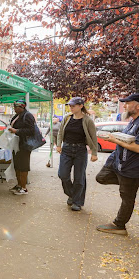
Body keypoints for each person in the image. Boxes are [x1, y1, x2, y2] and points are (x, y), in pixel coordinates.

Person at [95, 93, 139, 235]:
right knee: (101, 177)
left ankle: (119, 225)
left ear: (137, 106)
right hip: (120, 165)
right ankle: (130, 186)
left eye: (127, 103)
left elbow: (138, 147)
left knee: (127, 198)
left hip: (131, 169)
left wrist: (115, 140)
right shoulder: (133, 121)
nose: (124, 106)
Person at [56, 97, 98, 211]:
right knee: (62, 174)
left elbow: (93, 137)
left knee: (79, 178)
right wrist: (58, 144)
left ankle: (77, 202)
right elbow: (60, 132)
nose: (71, 107)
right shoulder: (67, 118)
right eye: (70, 106)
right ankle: (72, 194)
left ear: (80, 106)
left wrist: (94, 152)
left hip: (80, 150)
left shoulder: (87, 120)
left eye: (73, 106)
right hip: (66, 149)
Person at [8, 99, 36, 195]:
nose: (15, 108)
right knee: (17, 166)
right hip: (16, 144)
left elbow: (31, 130)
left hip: (24, 145)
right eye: (14, 107)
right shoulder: (17, 116)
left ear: (22, 107)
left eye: (16, 107)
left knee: (23, 166)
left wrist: (16, 131)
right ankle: (19, 185)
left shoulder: (27, 116)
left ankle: (24, 188)